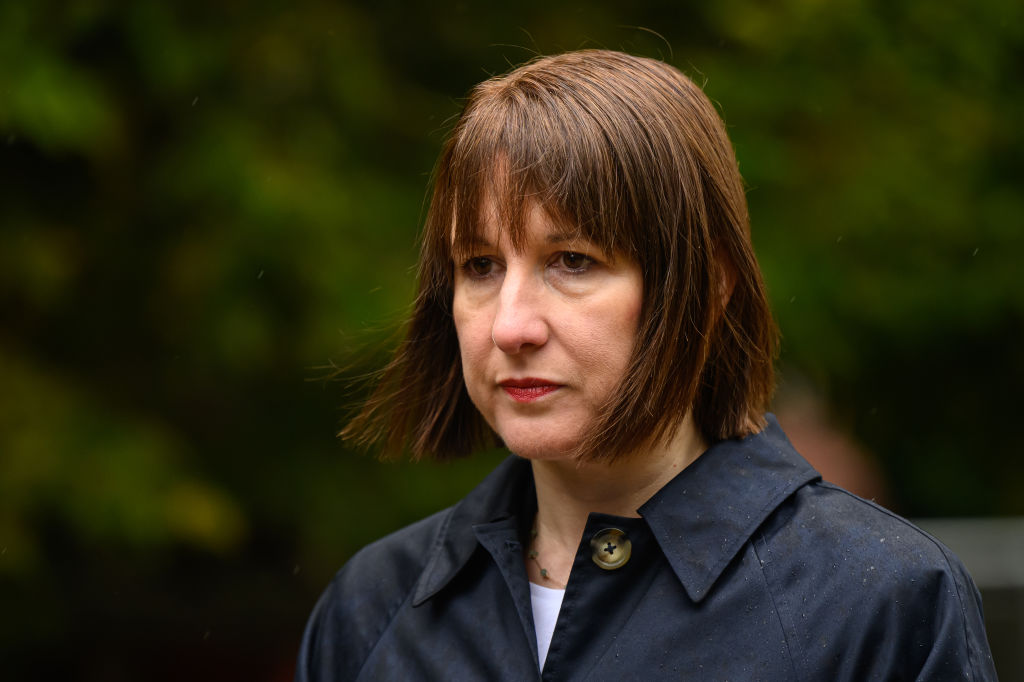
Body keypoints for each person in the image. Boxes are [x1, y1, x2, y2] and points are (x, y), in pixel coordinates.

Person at [295, 50, 997, 681]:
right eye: (479, 266)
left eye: (572, 262)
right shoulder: (373, 609)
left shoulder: (875, 603)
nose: (510, 325)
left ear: (709, 286)